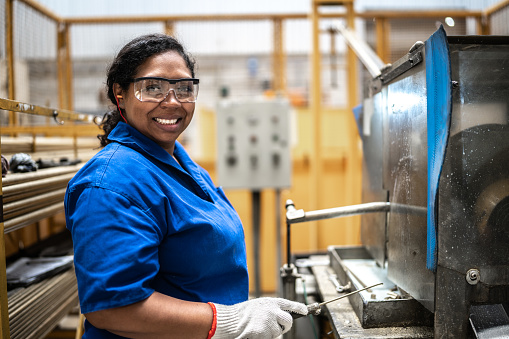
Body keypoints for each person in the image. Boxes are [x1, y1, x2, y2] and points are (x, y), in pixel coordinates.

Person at [64, 33, 307, 339]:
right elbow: (112, 307)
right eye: (152, 88)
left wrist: (241, 316)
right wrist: (230, 321)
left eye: (184, 89)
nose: (172, 102)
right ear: (120, 93)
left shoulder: (179, 163)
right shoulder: (111, 183)